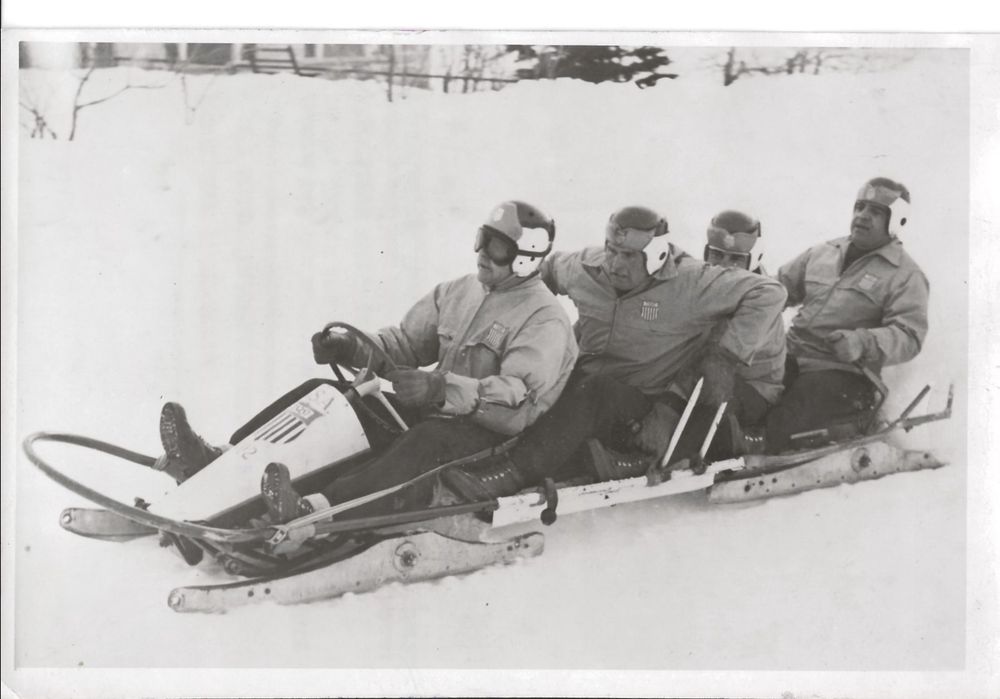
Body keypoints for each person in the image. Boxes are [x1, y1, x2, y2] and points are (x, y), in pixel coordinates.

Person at [155, 200, 579, 523]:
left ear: (525, 256)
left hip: (488, 436)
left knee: (425, 441)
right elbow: (405, 344)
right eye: (482, 239)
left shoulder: (543, 319)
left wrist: (440, 388)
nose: (483, 253)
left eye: (497, 247)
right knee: (329, 396)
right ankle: (221, 461)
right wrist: (352, 349)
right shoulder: (460, 290)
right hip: (435, 409)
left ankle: (315, 511)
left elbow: (517, 397)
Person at [442, 204, 788, 500]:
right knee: (538, 377)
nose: (615, 264)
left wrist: (725, 356)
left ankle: (512, 472)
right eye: (611, 250)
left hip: (640, 401)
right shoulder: (587, 267)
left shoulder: (692, 282)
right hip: (581, 380)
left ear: (656, 256)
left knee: (595, 391)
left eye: (629, 256)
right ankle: (466, 451)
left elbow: (769, 293)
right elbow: (542, 272)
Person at [764, 177, 929, 452]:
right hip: (790, 356)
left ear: (895, 221)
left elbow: (910, 336)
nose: (862, 216)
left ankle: (756, 453)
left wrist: (861, 342)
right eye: (860, 207)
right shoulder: (822, 253)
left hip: (844, 373)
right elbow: (775, 290)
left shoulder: (905, 275)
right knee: (744, 394)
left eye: (876, 211)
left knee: (785, 419)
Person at [691, 209, 786, 451]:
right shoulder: (705, 282)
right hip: (711, 374)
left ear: (752, 261)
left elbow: (723, 356)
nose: (724, 267)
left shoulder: (762, 299)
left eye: (735, 259)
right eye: (717, 255)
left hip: (753, 387)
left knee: (697, 403)